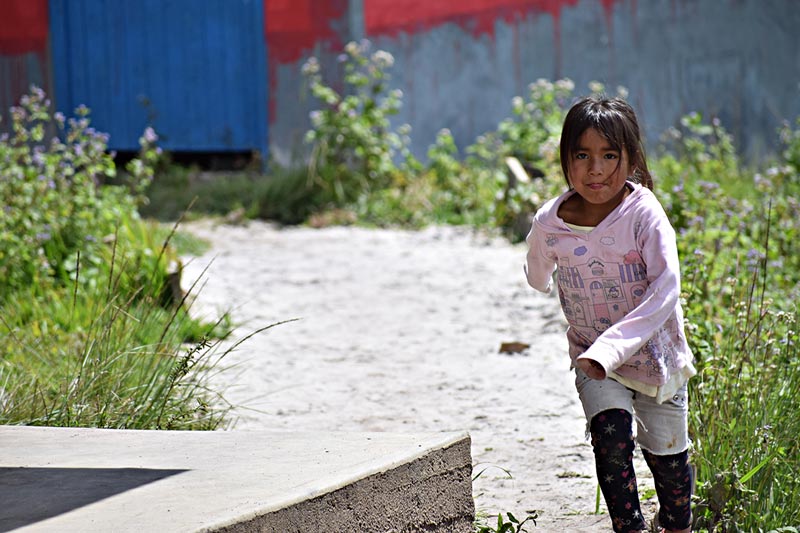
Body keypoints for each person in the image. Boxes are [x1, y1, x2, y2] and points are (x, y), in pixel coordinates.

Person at [524, 96, 696, 533]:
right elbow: (537, 263)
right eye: (581, 155)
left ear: (631, 159)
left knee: (671, 470)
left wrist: (614, 346)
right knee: (611, 439)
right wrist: (540, 276)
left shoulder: (643, 215)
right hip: (594, 360)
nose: (595, 169)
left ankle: (673, 524)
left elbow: (666, 288)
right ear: (565, 158)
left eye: (608, 156)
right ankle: (630, 527)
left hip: (655, 359)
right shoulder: (552, 220)